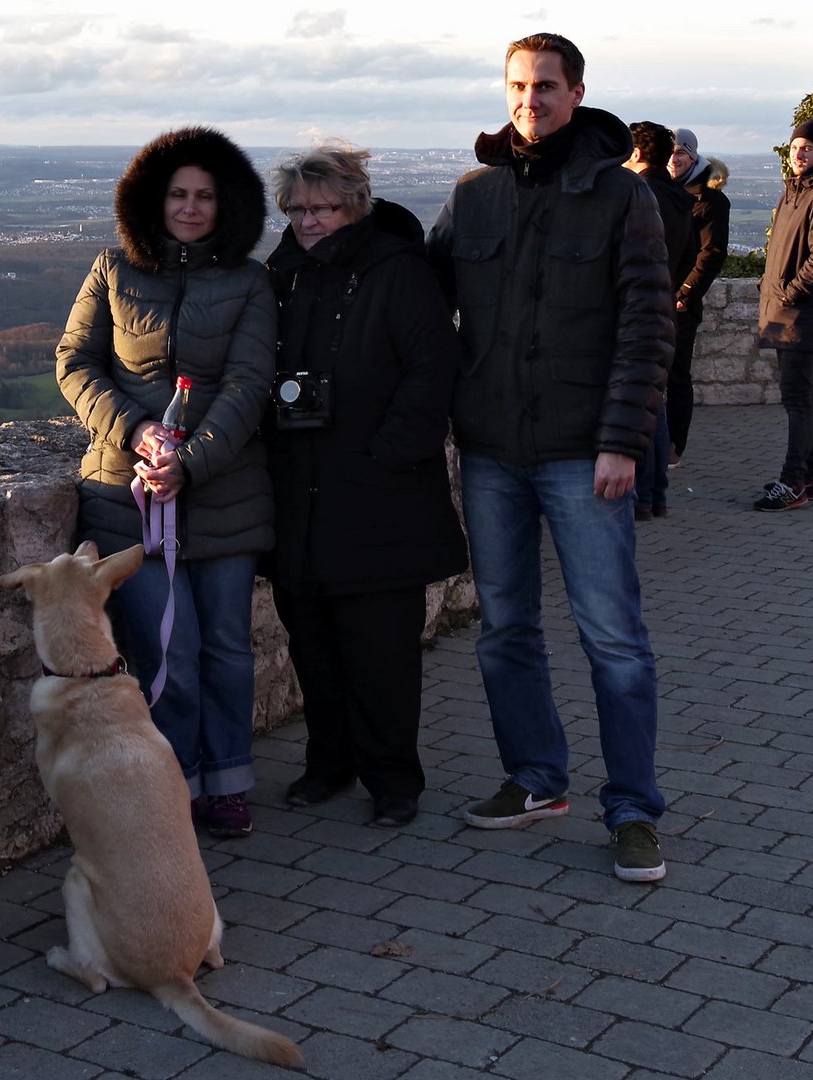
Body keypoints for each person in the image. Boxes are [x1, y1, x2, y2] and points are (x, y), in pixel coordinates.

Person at [427, 32, 673, 882]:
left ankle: (634, 809)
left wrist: (621, 440)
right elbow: (417, 300)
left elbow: (648, 326)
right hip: (491, 451)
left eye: (545, 87)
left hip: (582, 455)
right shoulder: (474, 195)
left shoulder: (619, 197)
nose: (529, 102)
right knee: (504, 630)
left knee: (613, 640)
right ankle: (534, 780)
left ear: (575, 93)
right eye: (518, 87)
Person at [56, 126, 276, 838]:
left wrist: (193, 458)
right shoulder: (112, 270)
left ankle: (229, 783)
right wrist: (139, 433)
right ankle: (172, 786)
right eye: (178, 194)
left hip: (225, 493)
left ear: (226, 204)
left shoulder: (249, 282)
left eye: (204, 196)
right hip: (125, 495)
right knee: (162, 652)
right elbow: (75, 364)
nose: (189, 207)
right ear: (153, 200)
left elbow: (249, 383)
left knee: (225, 646)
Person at [263, 143, 466, 829]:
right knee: (312, 645)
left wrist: (386, 457)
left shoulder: (397, 272)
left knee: (380, 652)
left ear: (354, 204)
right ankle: (328, 765)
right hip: (301, 493)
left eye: (320, 208)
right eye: (296, 209)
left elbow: (431, 370)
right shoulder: (283, 274)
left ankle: (392, 780)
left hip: (380, 496)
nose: (307, 221)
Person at [754, 117, 813, 512]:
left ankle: (793, 482)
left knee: (796, 398)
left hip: (801, 312)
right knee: (802, 396)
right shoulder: (794, 191)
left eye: (807, 148)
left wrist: (789, 293)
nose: (799, 154)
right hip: (783, 308)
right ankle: (808, 478)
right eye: (795, 147)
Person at [624, 121, 694, 521]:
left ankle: (640, 498)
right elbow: (690, 254)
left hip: (636, 309)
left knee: (637, 404)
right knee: (656, 403)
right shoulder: (678, 195)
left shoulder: (639, 194)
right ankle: (655, 496)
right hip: (665, 302)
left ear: (635, 154)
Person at [666, 127, 732, 466]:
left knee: (677, 374)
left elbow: (712, 253)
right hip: (657, 295)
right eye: (671, 152)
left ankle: (674, 447)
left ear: (693, 156)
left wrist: (686, 293)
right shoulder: (665, 191)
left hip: (680, 301)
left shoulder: (710, 199)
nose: (674, 159)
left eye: (681, 153)